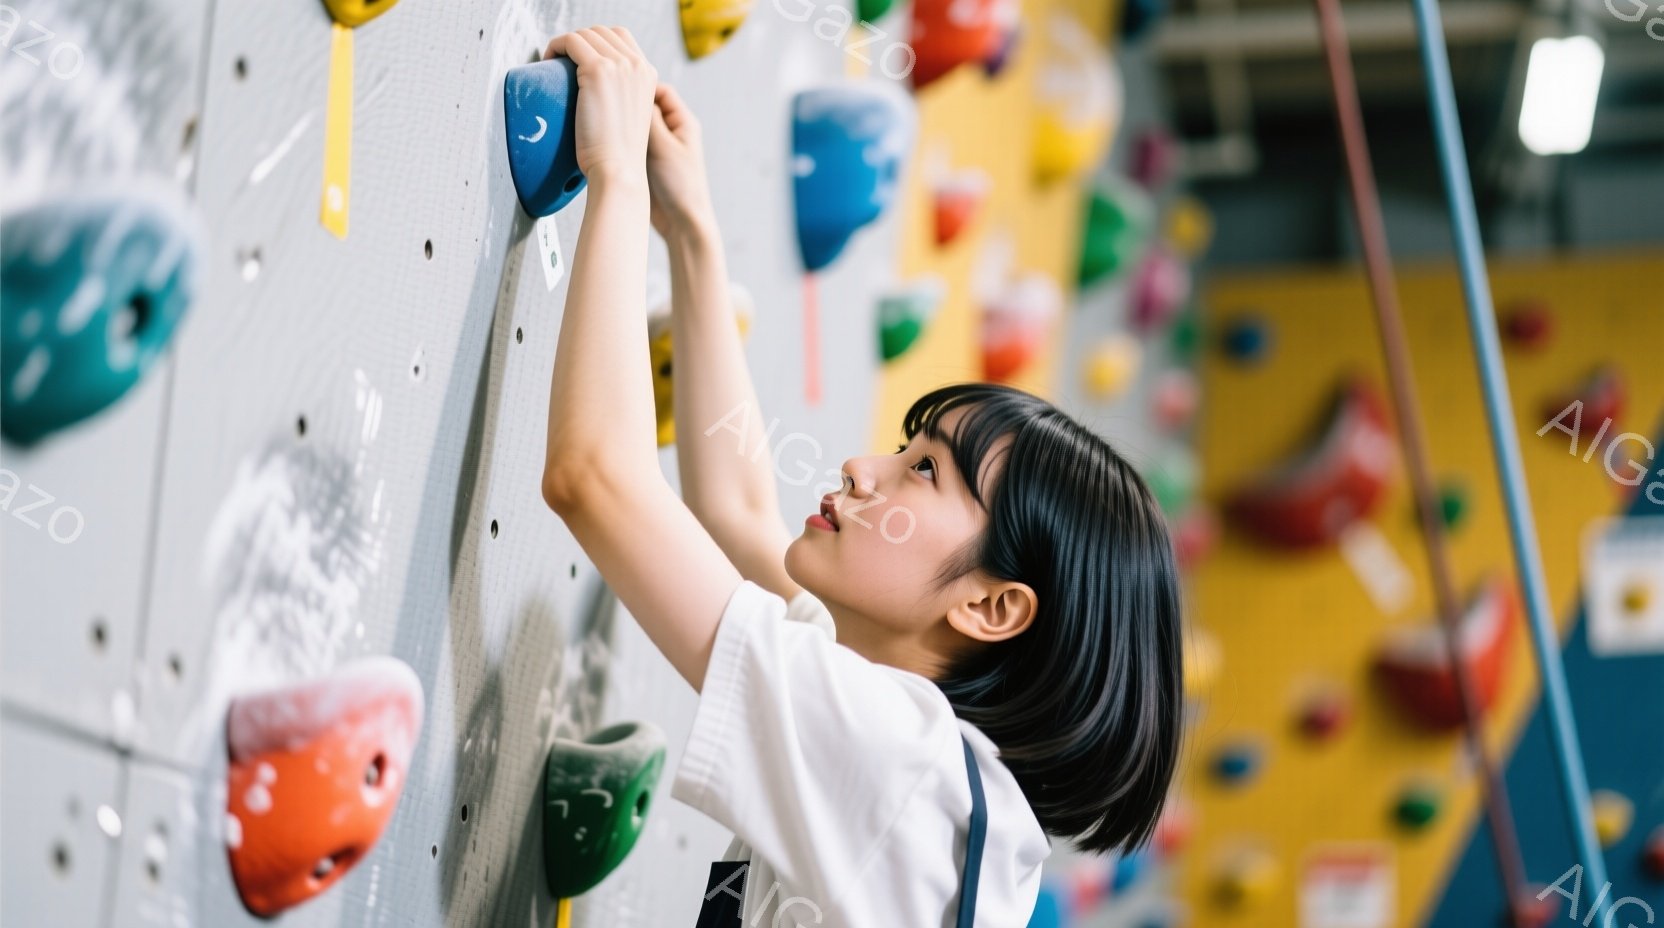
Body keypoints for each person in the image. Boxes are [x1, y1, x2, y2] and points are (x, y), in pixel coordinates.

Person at [538, 26, 1183, 927]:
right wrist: (691, 231)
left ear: (992, 606)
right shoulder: (935, 779)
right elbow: (740, 511)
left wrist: (613, 178)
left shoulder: (900, 769)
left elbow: (594, 477)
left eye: (923, 471)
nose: (862, 465)